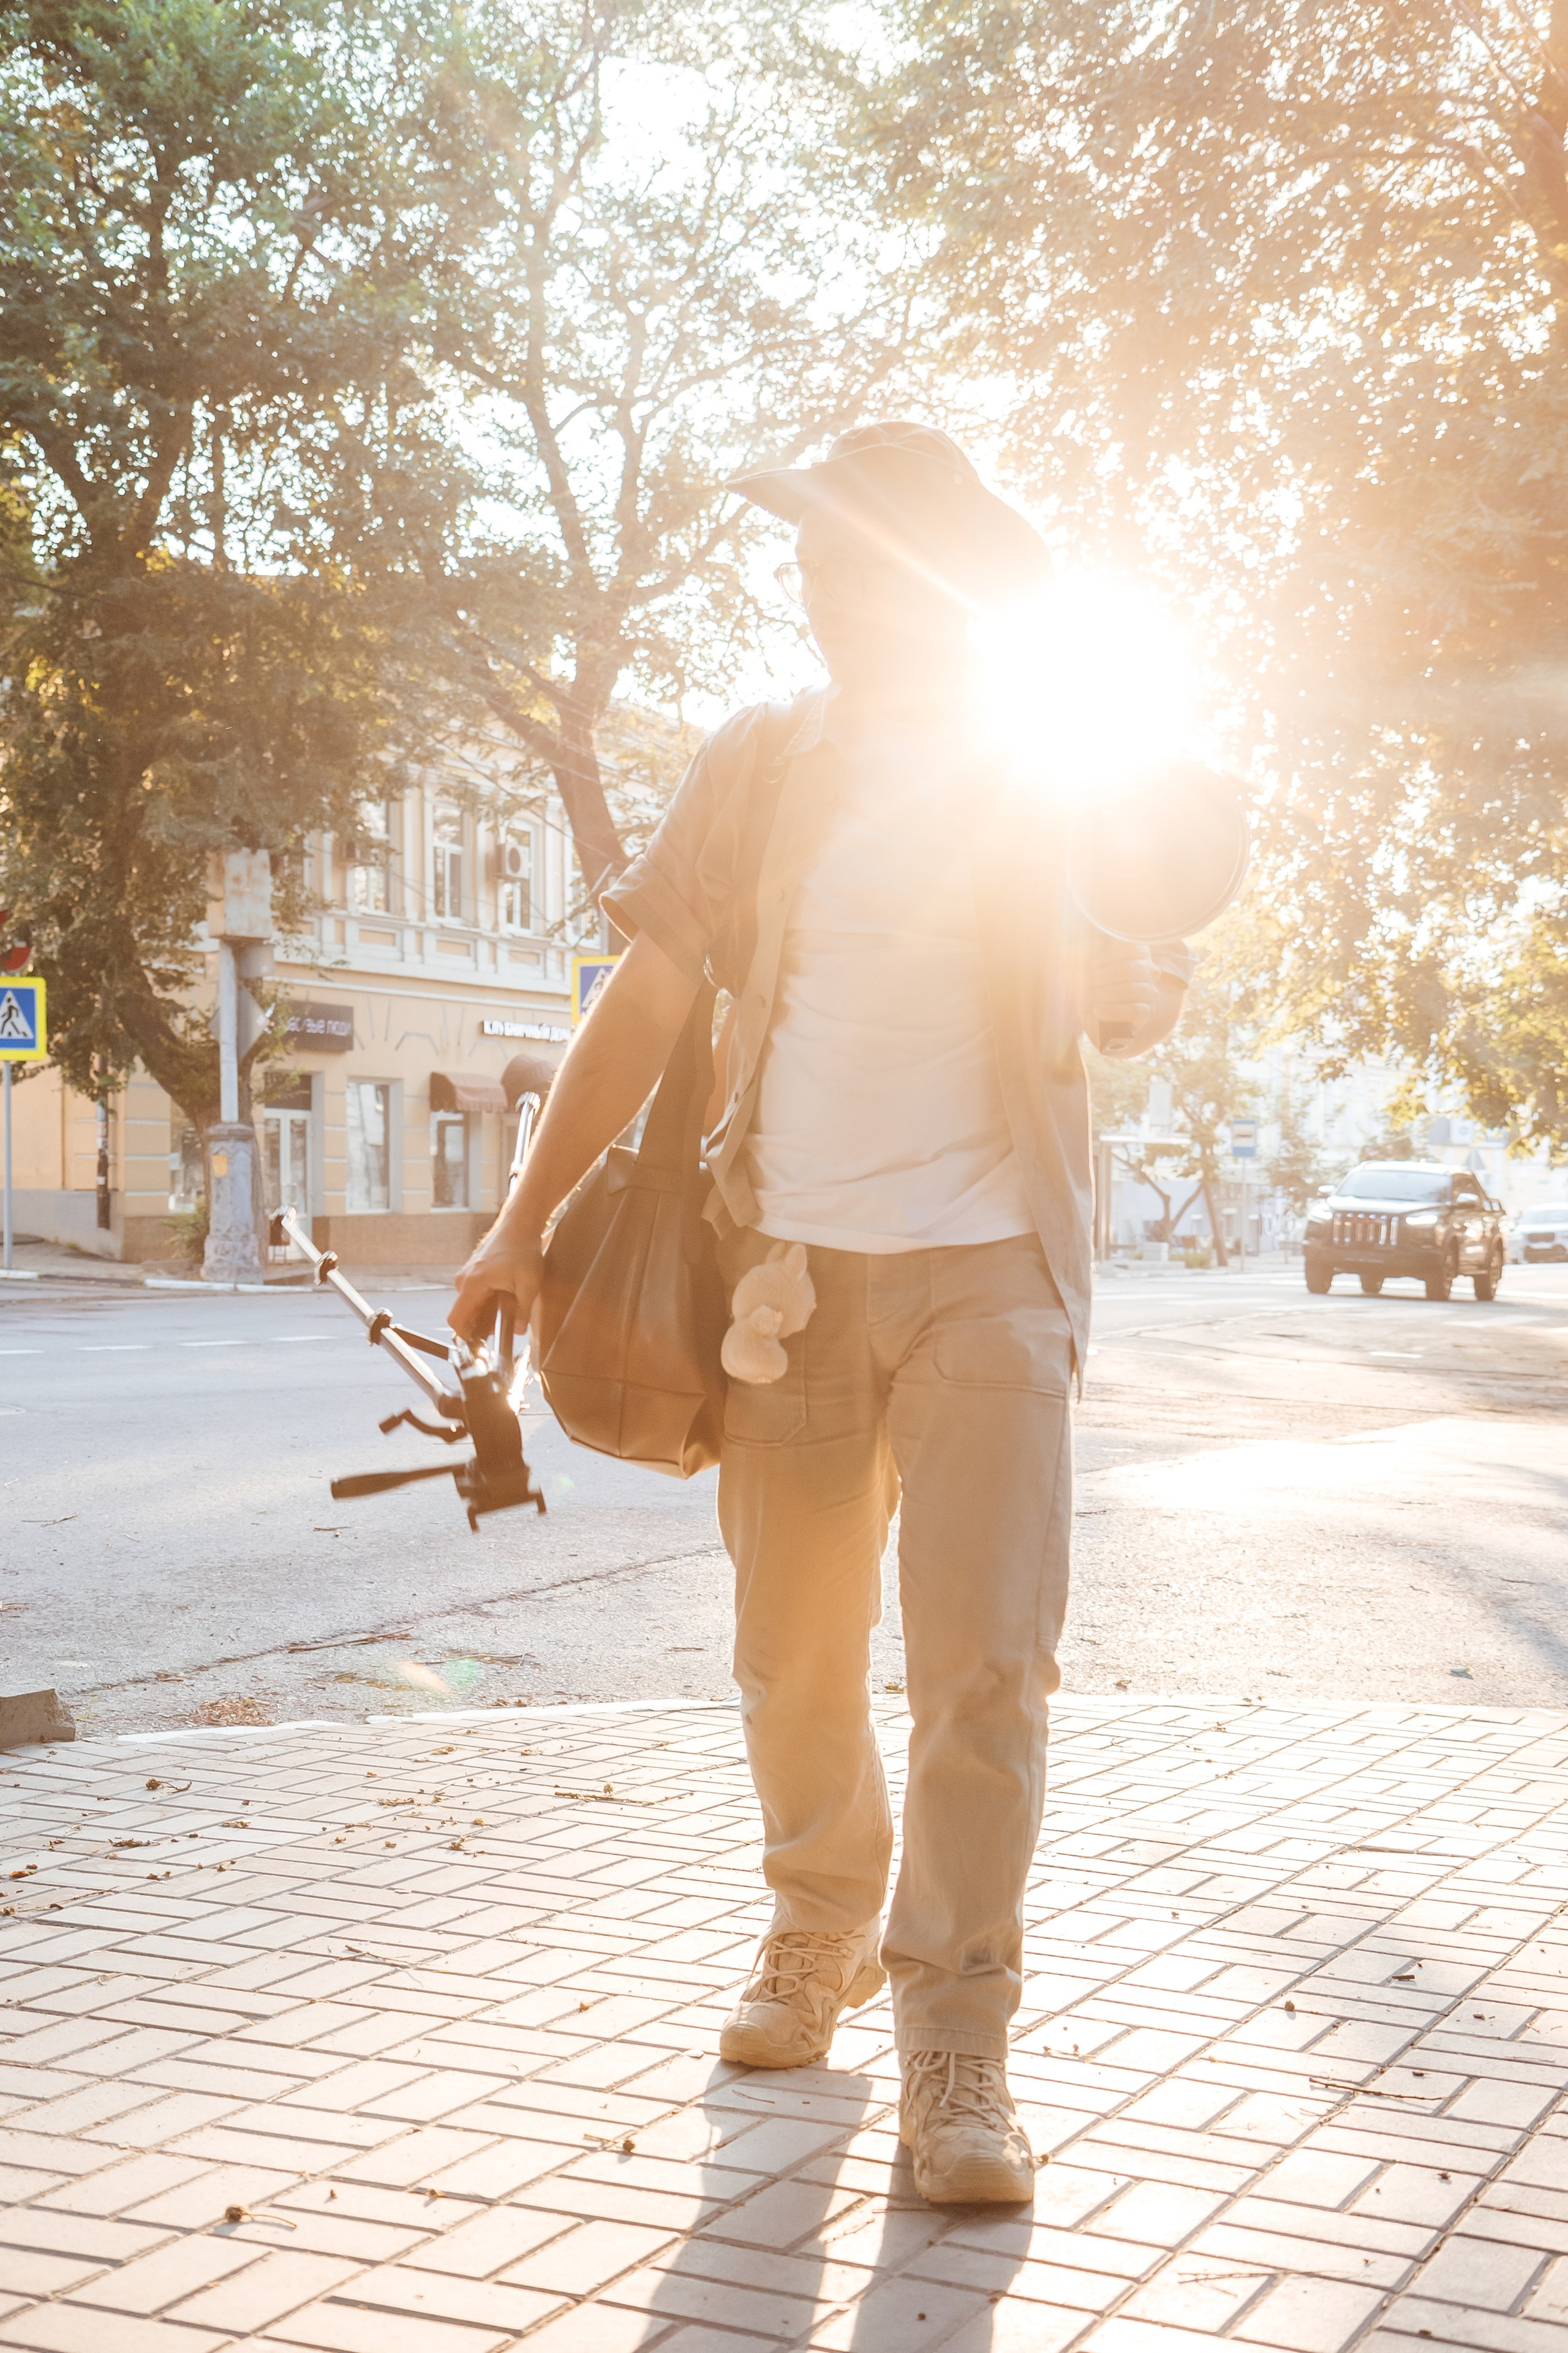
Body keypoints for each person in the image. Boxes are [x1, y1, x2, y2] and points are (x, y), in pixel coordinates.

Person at [450, 422, 1191, 2204]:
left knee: (982, 1662)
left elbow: (1143, 973)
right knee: (792, 1653)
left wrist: (1112, 962)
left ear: (932, 579)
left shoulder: (1046, 769)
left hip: (992, 1266)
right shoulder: (765, 766)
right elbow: (642, 1001)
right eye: (805, 560)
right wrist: (517, 1221)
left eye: (845, 555)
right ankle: (821, 1918)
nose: (814, 583)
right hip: (781, 1268)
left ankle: (960, 2042)